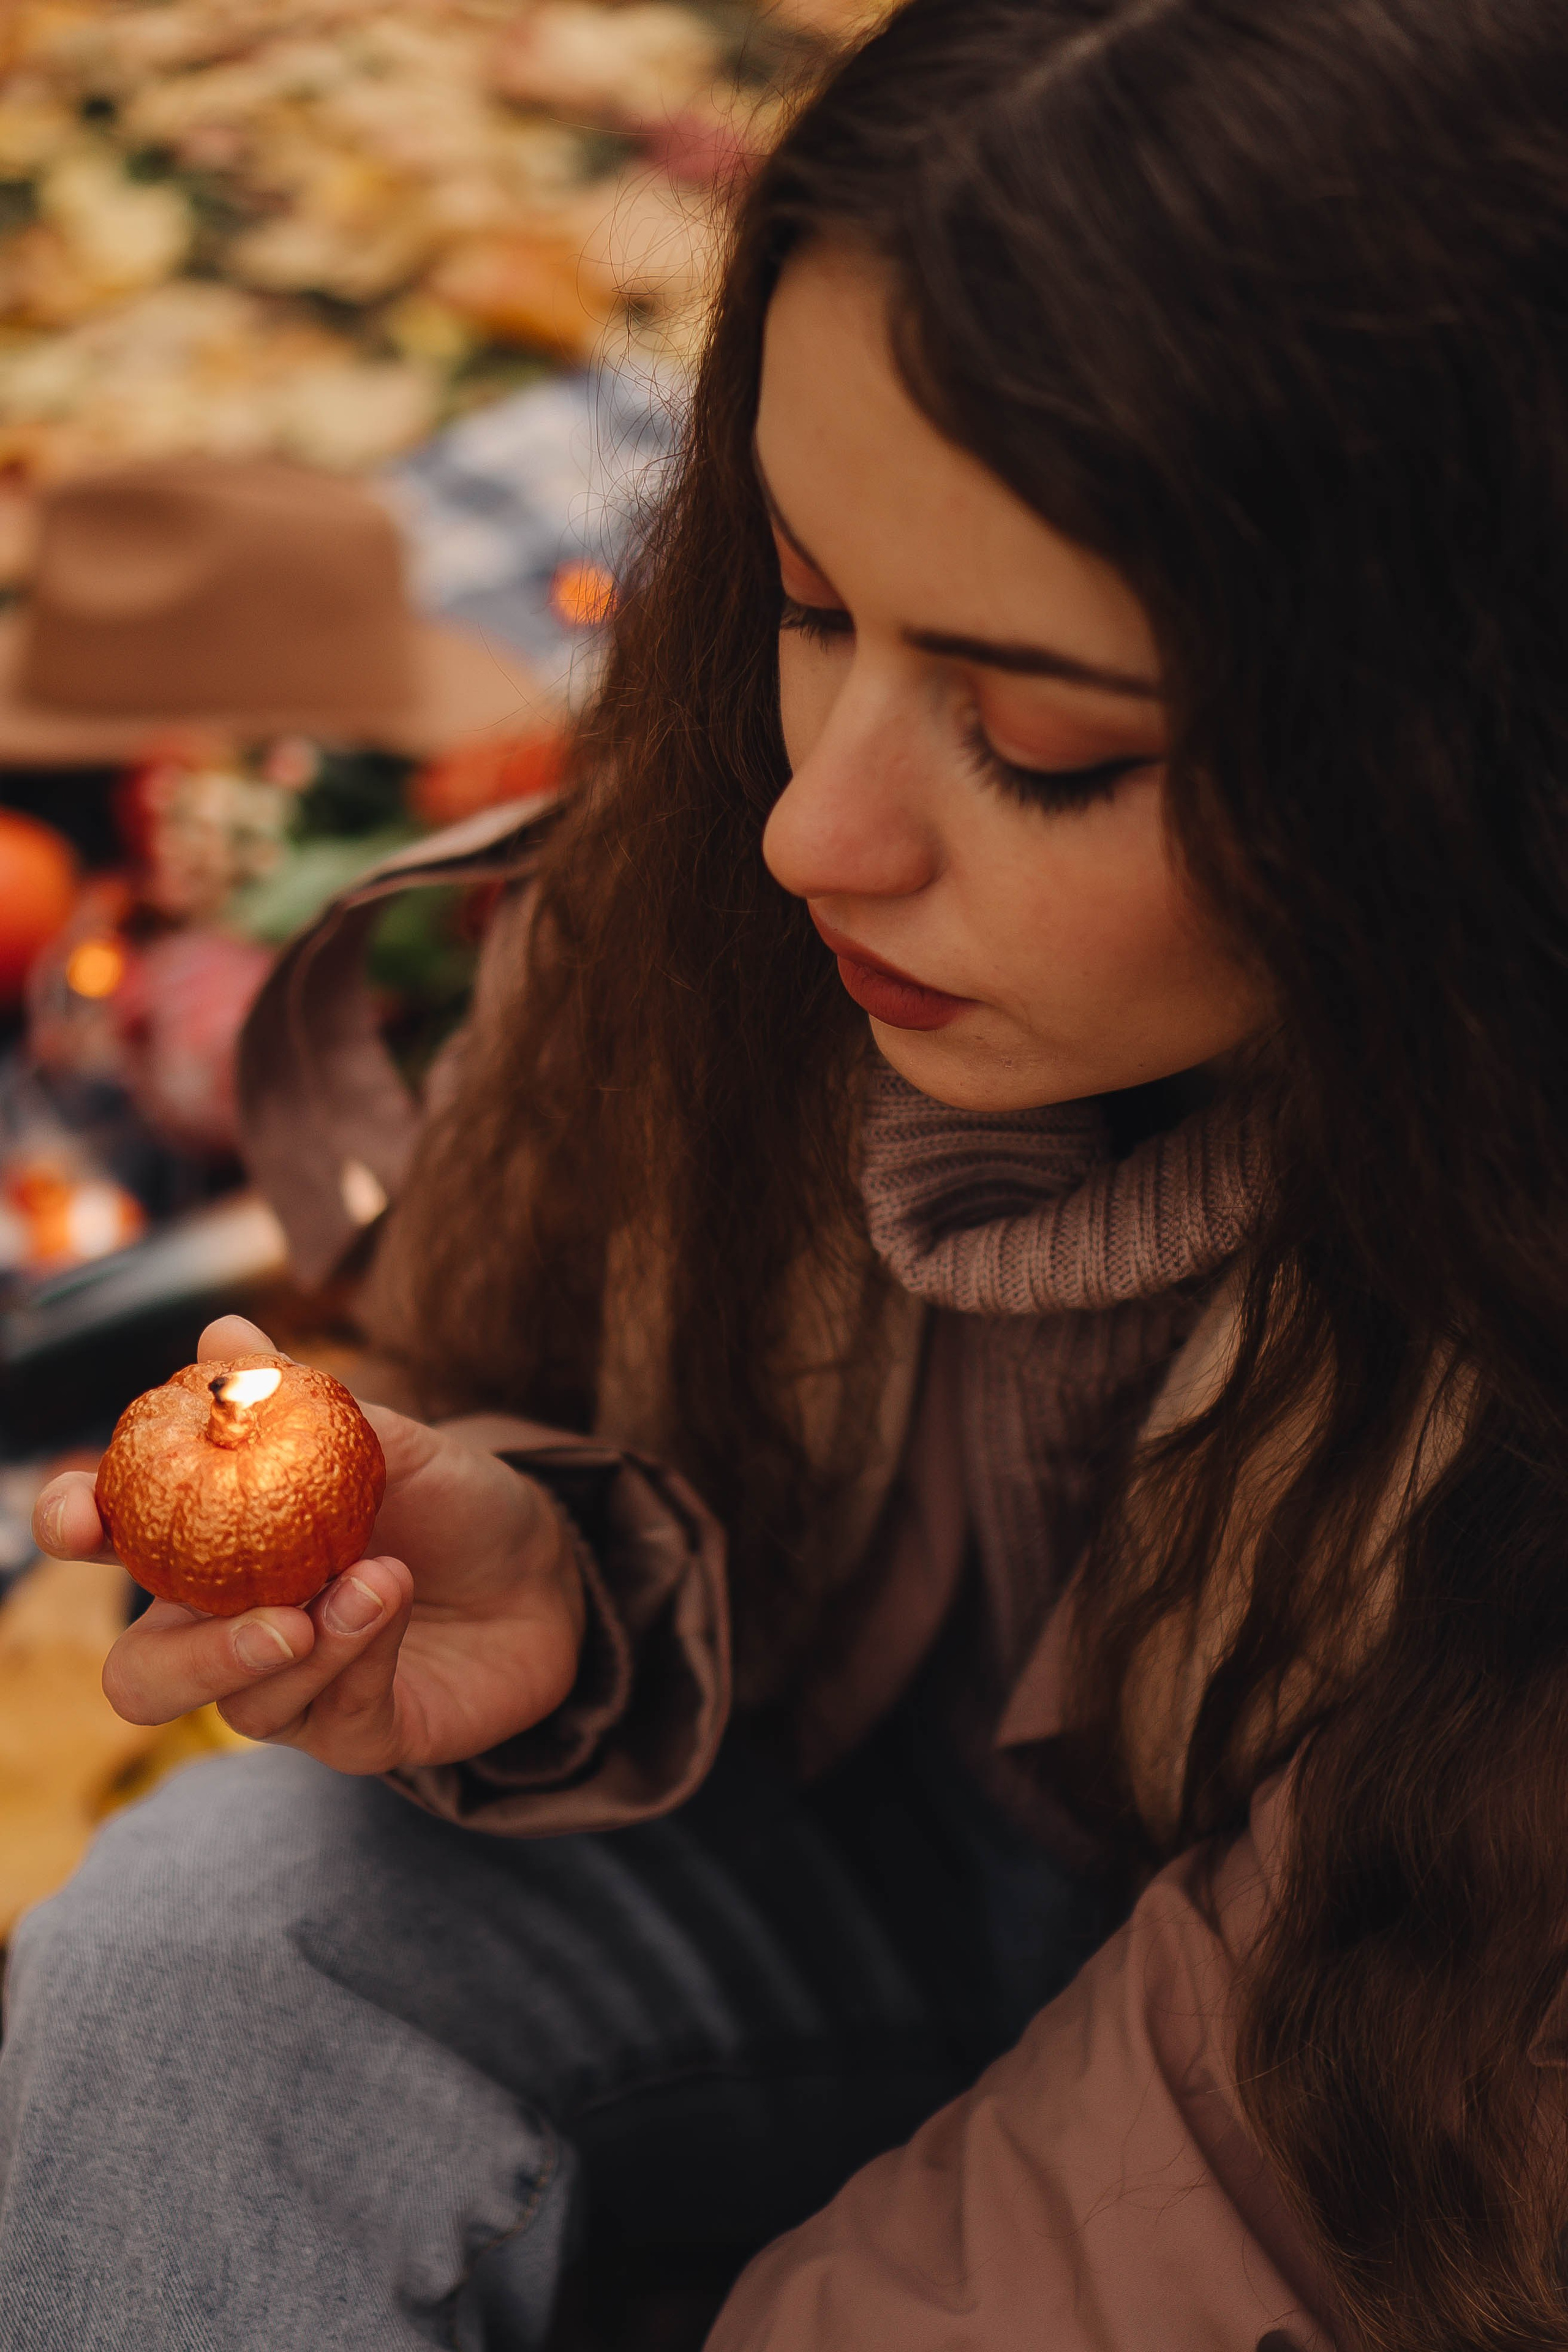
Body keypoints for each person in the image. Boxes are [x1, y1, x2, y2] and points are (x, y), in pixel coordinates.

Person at [4, 1, 1566, 2345]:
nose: (806, 819)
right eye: (811, 605)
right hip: (856, 1873)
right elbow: (551, 1364)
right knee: (197, 1965)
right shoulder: (743, 920)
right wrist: (569, 1582)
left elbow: (1280, 2178)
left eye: (1040, 746)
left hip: (1370, 2115)